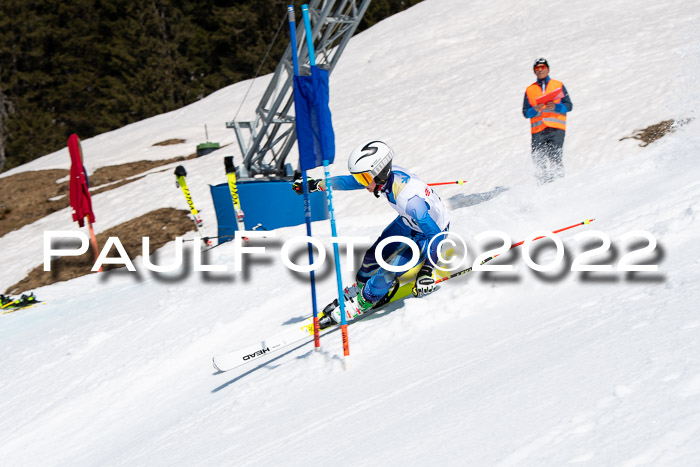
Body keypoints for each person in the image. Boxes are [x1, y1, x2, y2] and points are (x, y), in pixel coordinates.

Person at [292, 140, 450, 326]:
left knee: (389, 269)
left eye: (365, 179)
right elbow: (350, 181)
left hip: (428, 233)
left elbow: (436, 235)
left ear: (380, 173)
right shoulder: (385, 180)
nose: (362, 184)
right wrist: (319, 184)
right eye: (362, 178)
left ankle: (364, 301)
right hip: (407, 222)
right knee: (373, 255)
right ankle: (361, 287)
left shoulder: (410, 201)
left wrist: (426, 271)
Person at [522, 58, 573, 184]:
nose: (540, 70)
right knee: (538, 160)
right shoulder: (530, 90)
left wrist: (556, 107)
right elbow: (526, 112)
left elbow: (569, 106)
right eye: (537, 68)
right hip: (538, 130)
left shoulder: (558, 85)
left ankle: (558, 184)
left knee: (555, 157)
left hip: (556, 128)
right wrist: (535, 109)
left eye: (542, 67)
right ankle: (542, 185)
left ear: (548, 69)